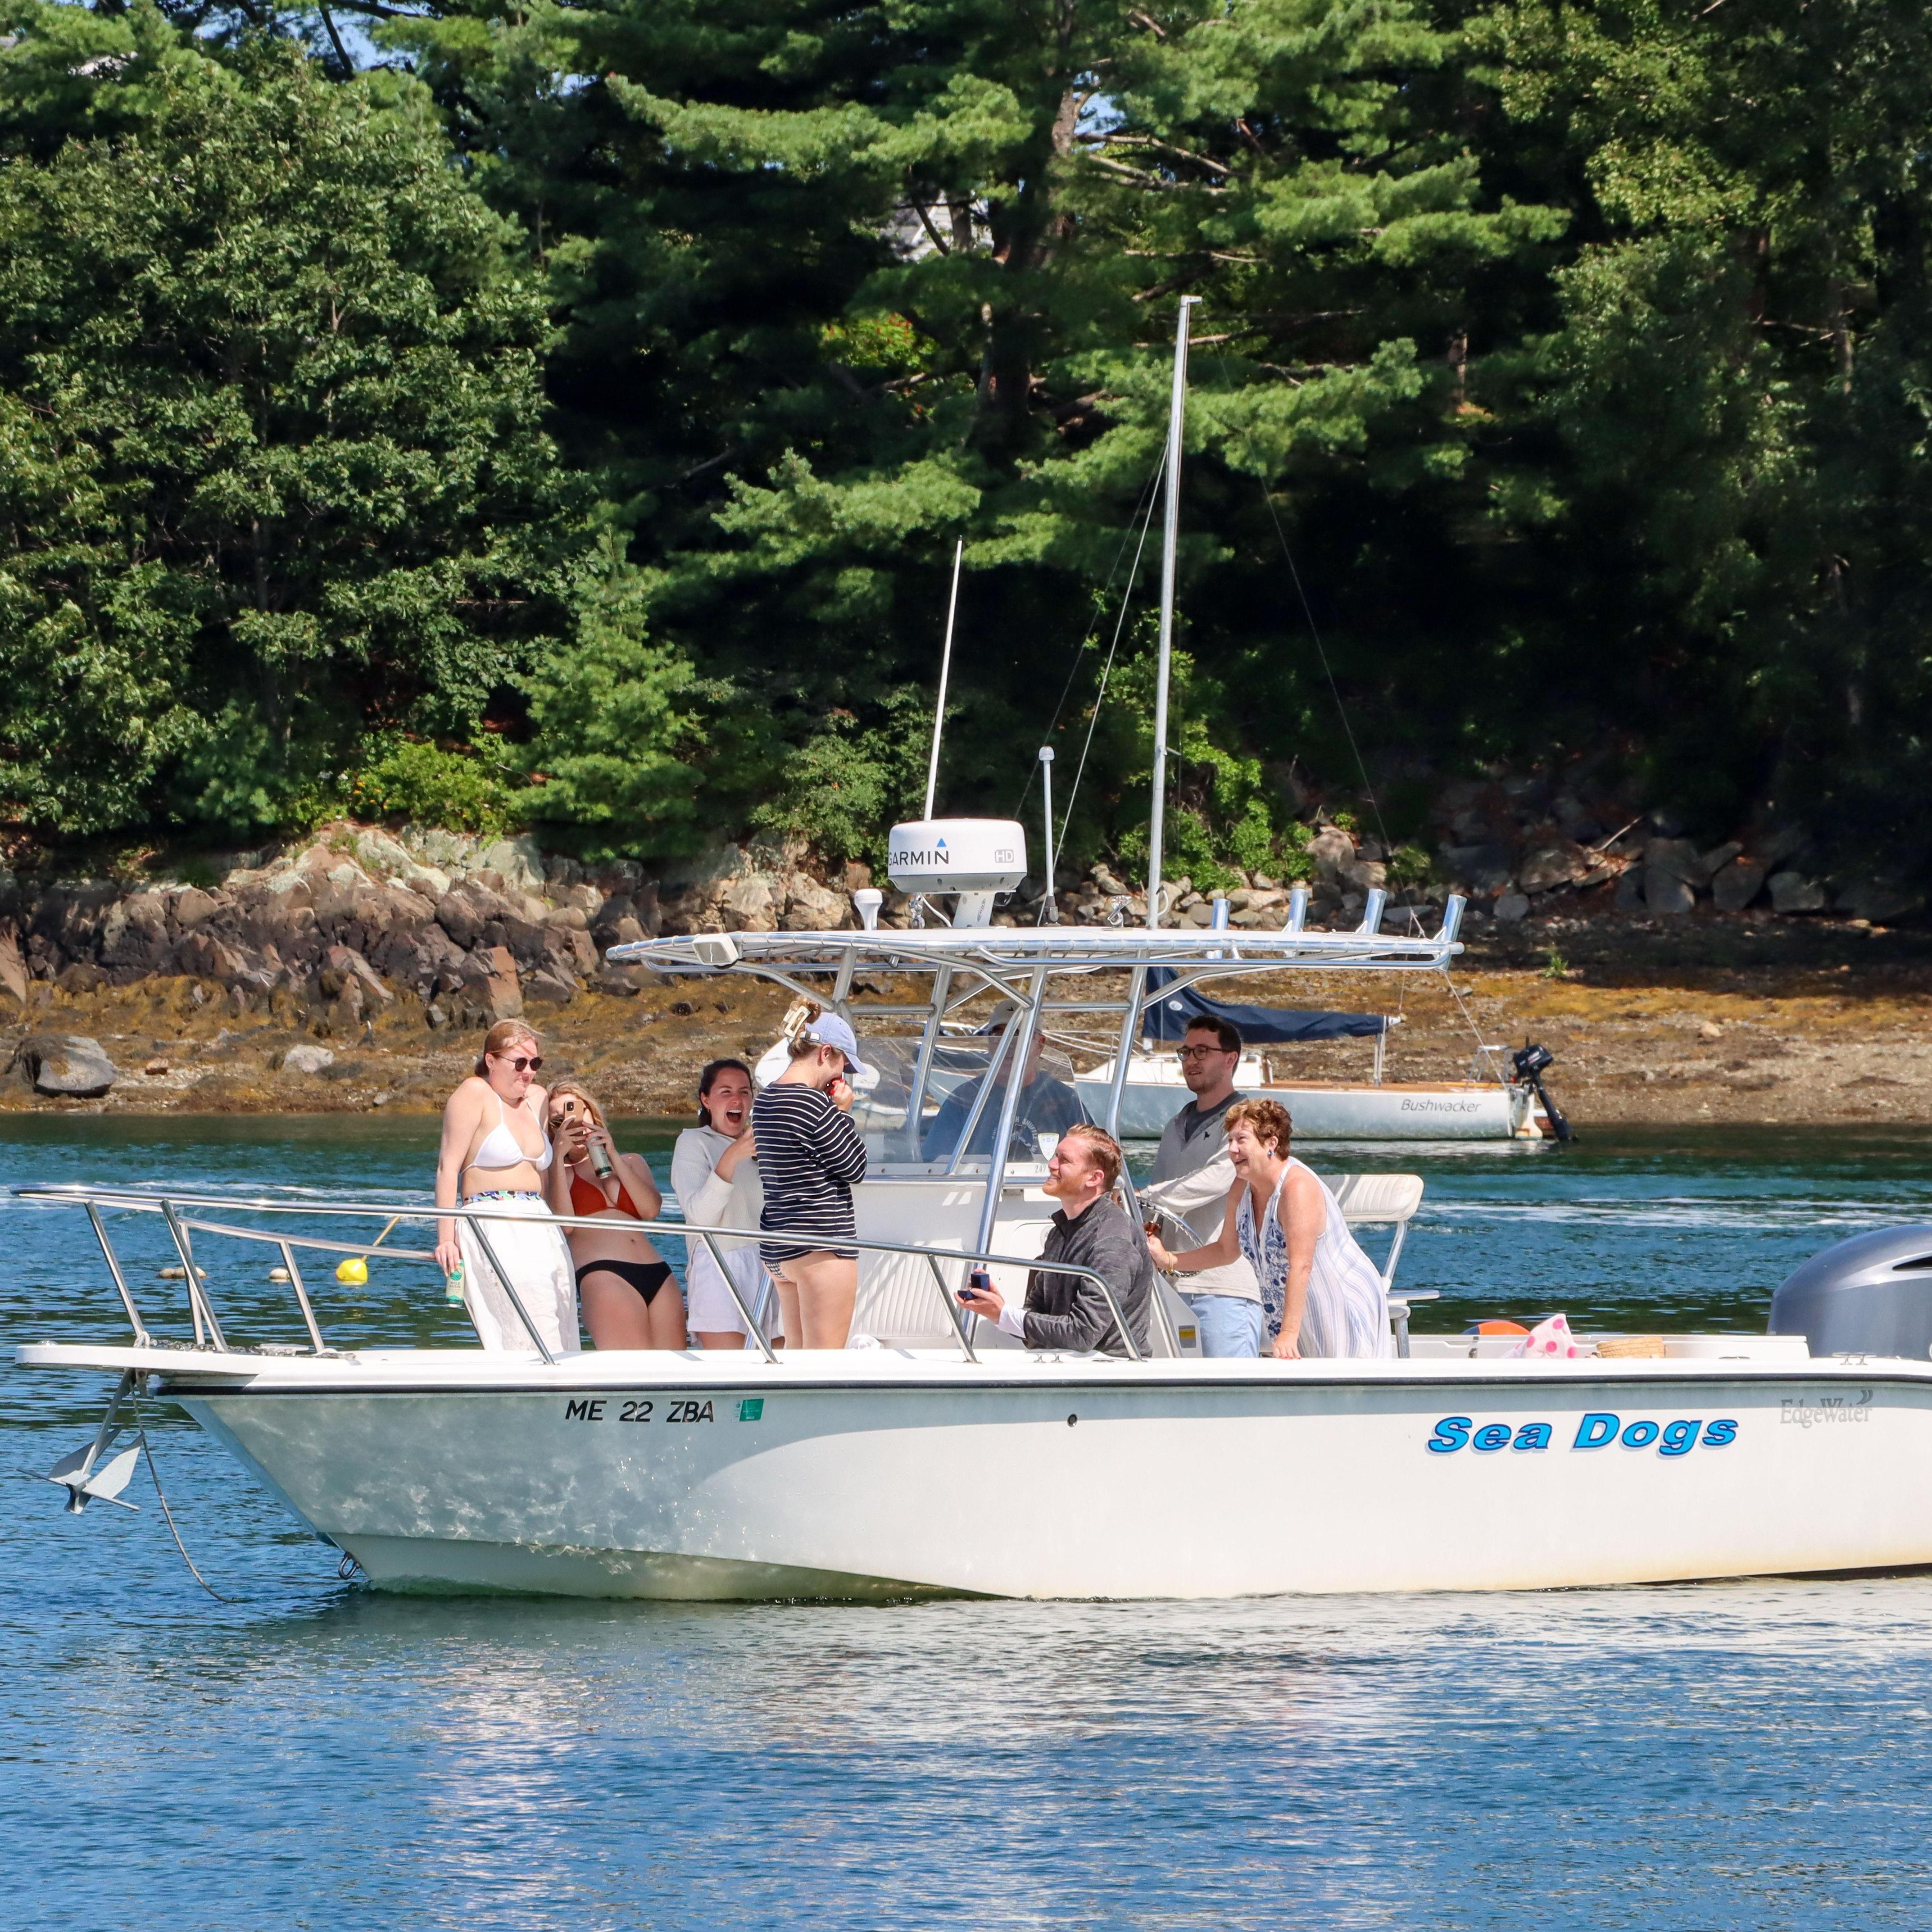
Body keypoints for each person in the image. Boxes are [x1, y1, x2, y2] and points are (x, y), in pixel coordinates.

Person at [1147, 1098, 1390, 1360]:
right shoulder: (1241, 1187)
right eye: (1230, 1141)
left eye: (1241, 1140)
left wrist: (1288, 1333)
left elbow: (1301, 1266)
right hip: (1293, 1314)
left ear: (1271, 1143)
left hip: (1337, 1305)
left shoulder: (1297, 1188)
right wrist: (1168, 1260)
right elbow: (1227, 1250)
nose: (1232, 1150)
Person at [434, 1020, 578, 1356]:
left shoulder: (538, 1099)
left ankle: (559, 1394)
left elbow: (545, 1172)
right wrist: (445, 1238)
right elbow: (447, 1168)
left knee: (560, 1315)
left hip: (541, 1224)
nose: (528, 1072)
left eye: (535, 1064)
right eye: (520, 1063)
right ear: (491, 1060)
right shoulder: (475, 1093)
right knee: (528, 1324)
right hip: (494, 1221)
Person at [956, 1123, 1152, 1356]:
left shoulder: (1111, 1241)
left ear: (1094, 1178)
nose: (1051, 1164)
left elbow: (1083, 1334)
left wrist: (1004, 1315)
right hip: (1067, 1370)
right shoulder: (1059, 1233)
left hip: (1108, 1377)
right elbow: (1038, 1316)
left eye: (1064, 1160)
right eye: (1056, 1156)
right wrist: (997, 1310)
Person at [1138, 1016, 1264, 1357]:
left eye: (1202, 1051)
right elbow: (1158, 1208)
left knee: (1231, 1400)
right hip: (1169, 1285)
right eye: (1186, 1052)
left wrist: (1144, 1197)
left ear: (1230, 1059)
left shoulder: (1248, 1125)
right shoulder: (1173, 1125)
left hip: (1223, 1289)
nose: (1191, 1060)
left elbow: (1216, 1180)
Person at [754, 1005, 871, 1349]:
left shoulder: (766, 1100)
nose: (843, 1075)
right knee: (824, 1364)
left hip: (779, 1246)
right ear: (825, 1053)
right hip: (820, 1245)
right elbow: (855, 1167)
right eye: (843, 1065)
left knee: (796, 1358)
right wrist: (843, 1114)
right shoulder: (813, 1104)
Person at [544, 1079, 685, 1351]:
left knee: (674, 1372)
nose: (570, 1122)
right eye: (557, 1120)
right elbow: (564, 1226)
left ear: (591, 1113)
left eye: (575, 1111)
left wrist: (612, 1155)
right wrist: (559, 1156)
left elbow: (650, 1210)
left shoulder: (631, 1161)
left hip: (658, 1273)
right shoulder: (554, 1173)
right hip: (604, 1273)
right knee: (630, 1369)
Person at [671, 1058, 775, 1350]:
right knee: (731, 1369)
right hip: (719, 1265)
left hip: (771, 1264)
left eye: (744, 1092)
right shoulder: (693, 1142)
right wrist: (732, 1156)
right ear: (706, 1099)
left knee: (779, 1369)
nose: (737, 1100)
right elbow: (700, 1216)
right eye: (726, 1092)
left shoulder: (765, 1144)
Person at [921, 1015, 1087, 1163]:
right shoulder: (963, 1100)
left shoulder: (1065, 1101)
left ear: (1040, 1044)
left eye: (1018, 1035)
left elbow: (1094, 1160)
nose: (1008, 1044)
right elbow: (935, 1164)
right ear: (989, 1044)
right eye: (999, 1035)